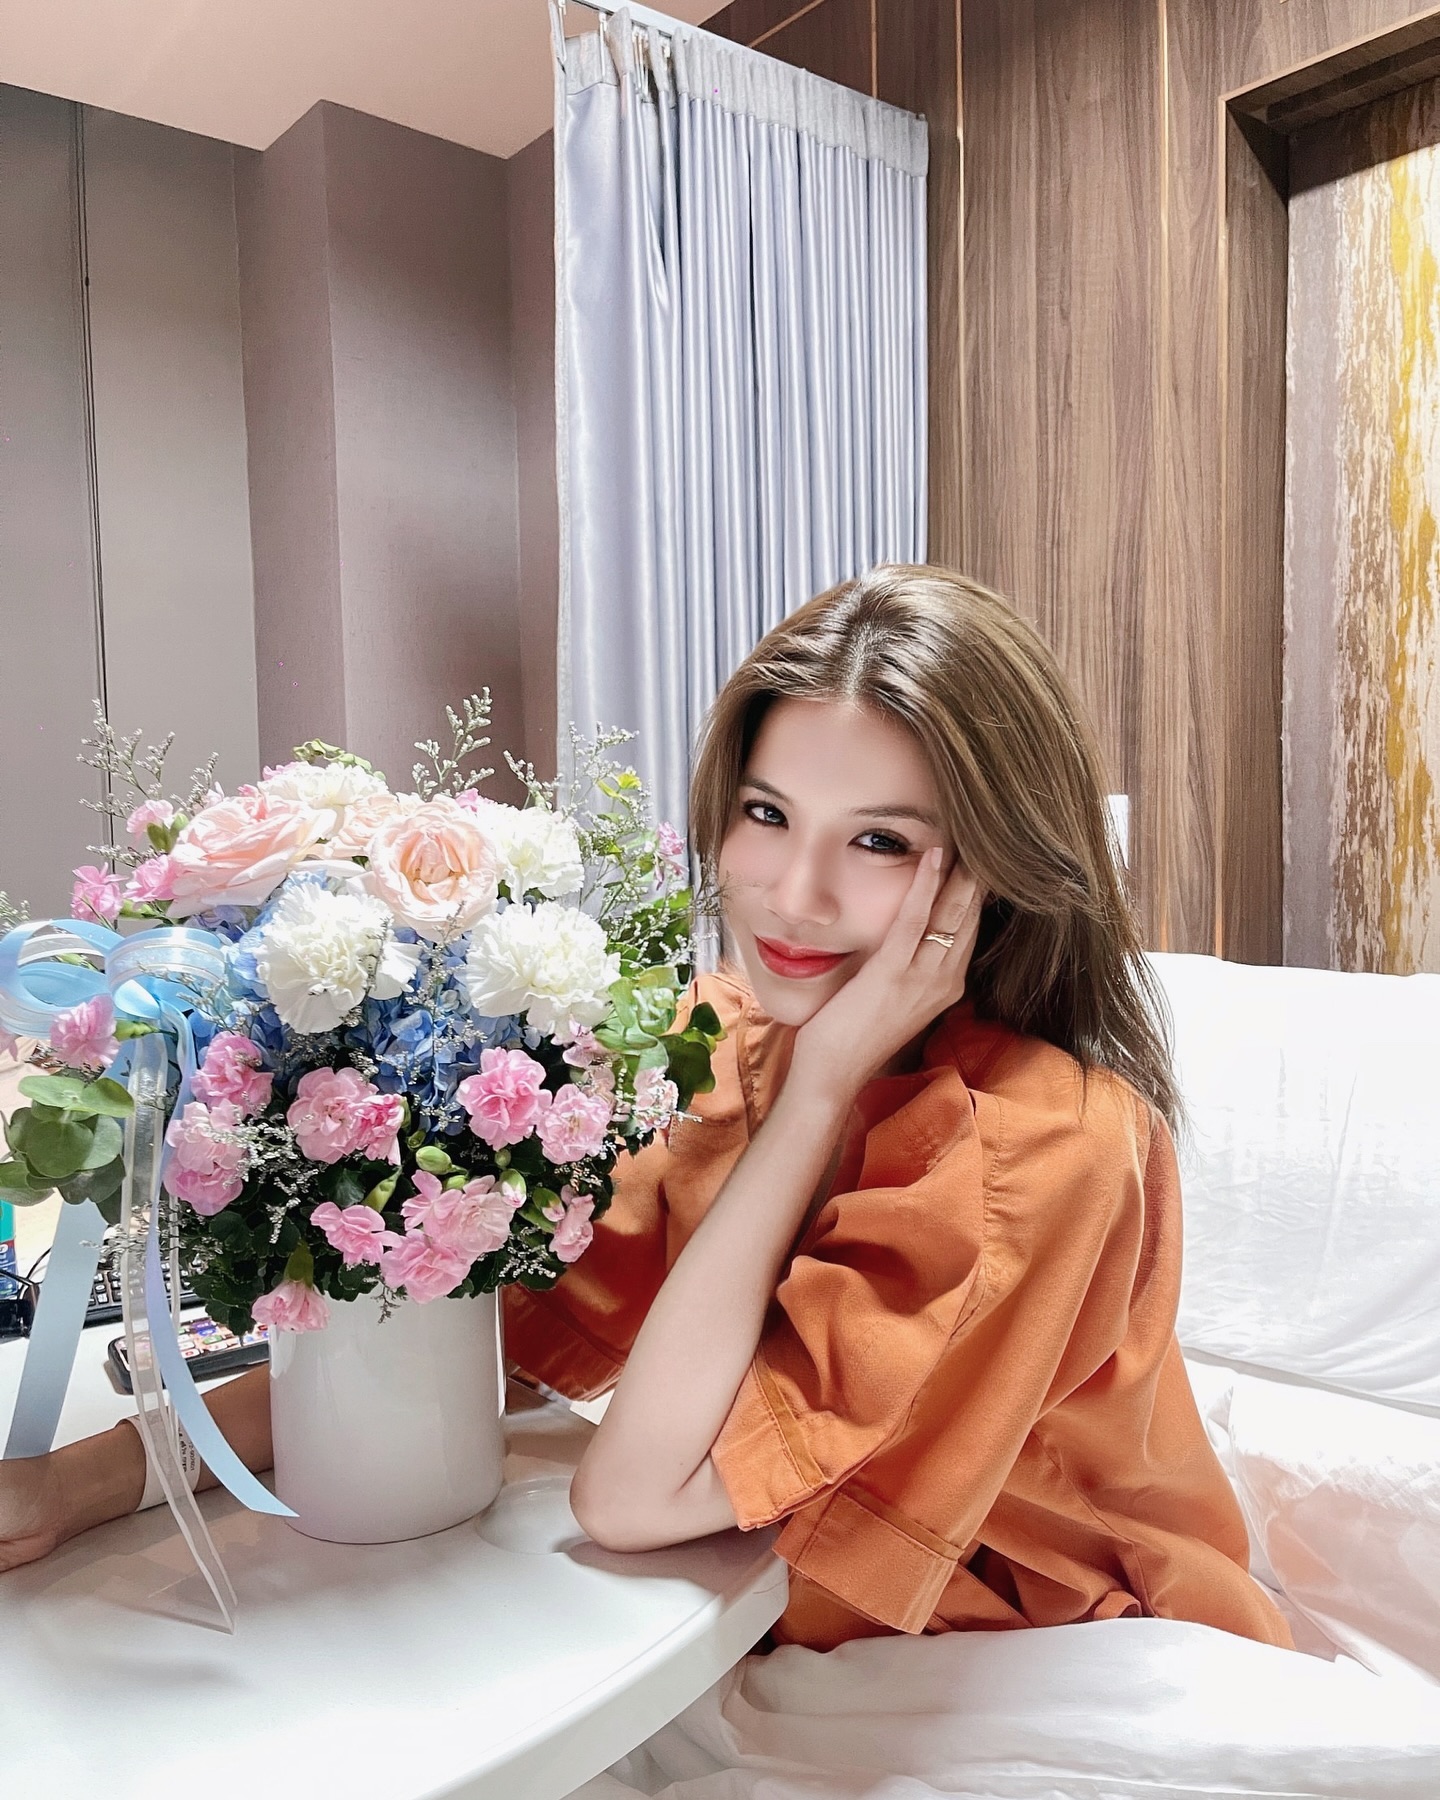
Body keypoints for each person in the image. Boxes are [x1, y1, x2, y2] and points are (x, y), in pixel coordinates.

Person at [0, 564, 1290, 1661]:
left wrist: (821, 1092)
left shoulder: (1039, 1145)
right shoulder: (726, 1038)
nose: (791, 893)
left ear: (992, 872)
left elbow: (631, 1498)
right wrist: (78, 1483)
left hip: (1045, 1637)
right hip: (770, 1608)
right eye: (768, 814)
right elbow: (462, 1342)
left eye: (882, 842)